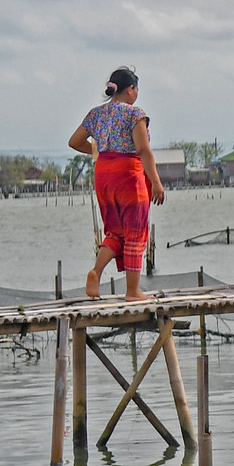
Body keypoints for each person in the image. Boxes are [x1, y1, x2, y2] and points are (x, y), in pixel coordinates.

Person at [68, 66, 165, 300]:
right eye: (136, 88)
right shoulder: (134, 114)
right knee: (134, 232)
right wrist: (157, 182)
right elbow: (143, 150)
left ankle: (96, 272)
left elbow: (74, 141)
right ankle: (133, 291)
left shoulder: (96, 114)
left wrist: (98, 151)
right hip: (128, 175)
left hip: (103, 174)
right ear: (130, 90)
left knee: (114, 231)